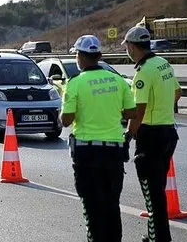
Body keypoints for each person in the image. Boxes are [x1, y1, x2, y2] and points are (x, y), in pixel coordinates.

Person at [61, 35, 136, 242]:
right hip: (113, 152)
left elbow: (66, 120)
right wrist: (109, 111)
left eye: (76, 54)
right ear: (99, 56)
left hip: (87, 154)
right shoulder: (118, 81)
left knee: (92, 208)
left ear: (81, 57)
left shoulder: (75, 83)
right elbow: (131, 112)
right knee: (112, 206)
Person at [122, 26, 181, 242]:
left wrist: (128, 136)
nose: (127, 50)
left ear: (132, 46)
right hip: (168, 134)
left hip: (151, 137)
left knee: (152, 195)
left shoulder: (144, 71)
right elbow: (177, 92)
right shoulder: (163, 63)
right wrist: (163, 109)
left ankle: (159, 239)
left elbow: (139, 111)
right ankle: (155, 235)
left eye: (127, 46)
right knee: (157, 191)